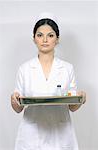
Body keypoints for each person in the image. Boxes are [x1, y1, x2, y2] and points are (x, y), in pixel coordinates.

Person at [11, 12, 86, 150]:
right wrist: (14, 99)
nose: (45, 39)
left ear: (57, 39)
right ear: (34, 38)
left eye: (50, 35)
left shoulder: (67, 68)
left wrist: (80, 99)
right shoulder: (25, 69)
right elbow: (18, 108)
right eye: (40, 35)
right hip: (32, 136)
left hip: (61, 134)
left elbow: (72, 106)